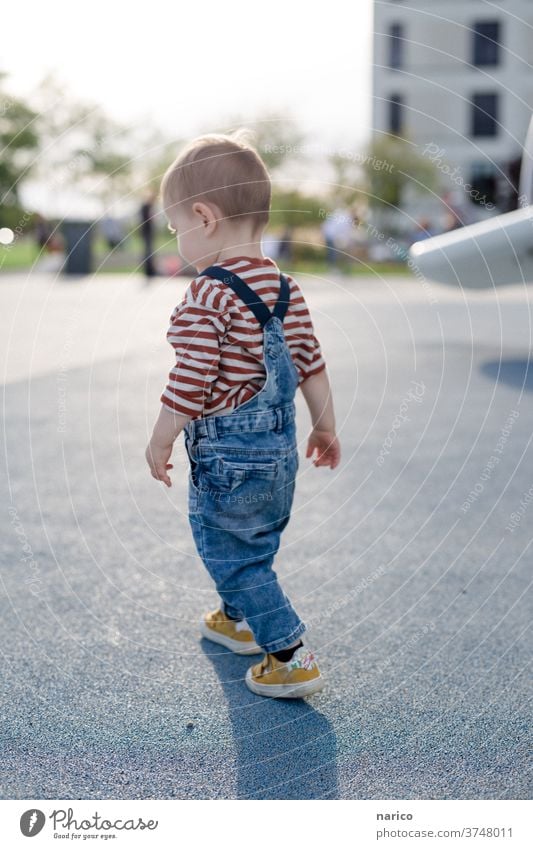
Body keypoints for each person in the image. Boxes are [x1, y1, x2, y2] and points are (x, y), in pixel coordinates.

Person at [145, 131, 340, 699]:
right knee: (254, 539)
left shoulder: (208, 294)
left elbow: (192, 375)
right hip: (278, 453)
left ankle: (289, 654)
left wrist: (162, 437)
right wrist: (325, 426)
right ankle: (237, 619)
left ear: (204, 218)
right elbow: (311, 363)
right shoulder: (286, 290)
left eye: (176, 227)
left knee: (227, 548)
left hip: (229, 454)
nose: (178, 240)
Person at [139, 188, 158, 279]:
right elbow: (149, 220)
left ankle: (150, 270)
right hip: (147, 232)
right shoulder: (146, 207)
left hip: (148, 232)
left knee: (149, 251)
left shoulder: (147, 207)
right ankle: (149, 271)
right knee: (148, 252)